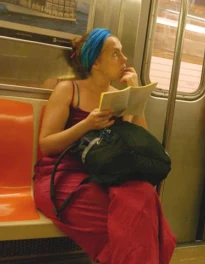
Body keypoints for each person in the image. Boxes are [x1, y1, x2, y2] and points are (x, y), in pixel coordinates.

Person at [33, 28, 176, 264]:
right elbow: (47, 145)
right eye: (115, 54)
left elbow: (141, 145)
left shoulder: (117, 96)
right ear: (96, 62)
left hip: (106, 173)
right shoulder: (69, 90)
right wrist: (87, 125)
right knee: (136, 224)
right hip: (63, 175)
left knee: (144, 195)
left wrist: (136, 96)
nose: (124, 59)